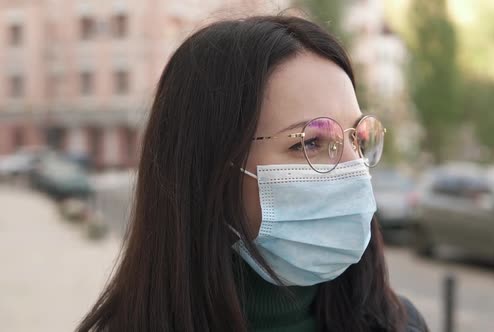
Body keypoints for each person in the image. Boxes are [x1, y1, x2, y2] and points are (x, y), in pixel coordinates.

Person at [76, 15, 429, 332]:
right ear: (213, 168)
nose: (354, 169)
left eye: (358, 138)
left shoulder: (402, 325)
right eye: (310, 143)